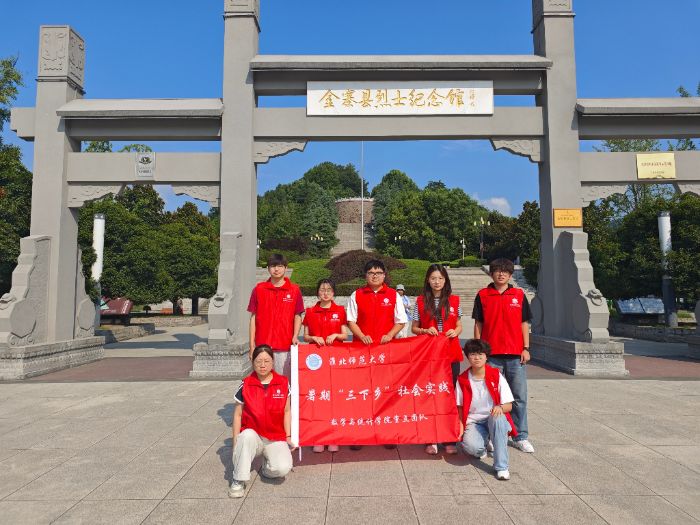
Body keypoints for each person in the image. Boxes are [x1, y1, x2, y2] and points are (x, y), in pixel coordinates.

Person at [472, 257, 534, 453]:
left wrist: (526, 347)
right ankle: (491, 435)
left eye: (505, 271)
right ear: (491, 273)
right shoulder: (483, 295)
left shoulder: (519, 295)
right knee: (490, 397)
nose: (501, 274)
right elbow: (478, 324)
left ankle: (520, 436)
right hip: (491, 355)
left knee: (519, 397)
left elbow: (524, 323)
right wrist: (478, 349)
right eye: (498, 271)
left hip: (515, 355)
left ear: (510, 274)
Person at [347, 259, 407, 450]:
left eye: (378, 273)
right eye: (371, 273)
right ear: (365, 275)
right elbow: (351, 320)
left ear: (384, 275)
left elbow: (401, 320)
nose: (375, 276)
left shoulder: (393, 295)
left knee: (386, 392)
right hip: (361, 351)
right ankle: (360, 434)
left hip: (385, 352)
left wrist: (389, 335)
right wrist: (361, 335)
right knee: (362, 392)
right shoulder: (356, 295)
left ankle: (387, 433)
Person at [229, 345, 295, 498]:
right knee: (246, 436)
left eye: (267, 361)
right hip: (254, 436)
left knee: (283, 468)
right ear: (253, 362)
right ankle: (238, 479)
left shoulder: (283, 383)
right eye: (258, 361)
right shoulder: (246, 384)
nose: (263, 365)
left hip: (275, 436)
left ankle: (266, 467)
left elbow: (287, 411)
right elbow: (238, 415)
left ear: (273, 362)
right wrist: (235, 442)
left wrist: (288, 436)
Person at [411, 263, 463, 455]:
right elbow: (414, 328)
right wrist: (425, 330)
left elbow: (459, 325)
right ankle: (430, 437)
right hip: (429, 356)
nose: (437, 282)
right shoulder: (420, 301)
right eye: (433, 278)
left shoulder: (454, 300)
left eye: (440, 278)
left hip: (450, 354)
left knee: (449, 395)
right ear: (427, 280)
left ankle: (449, 438)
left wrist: (455, 331)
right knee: (430, 395)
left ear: (445, 280)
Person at [456, 339, 516, 481]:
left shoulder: (496, 375)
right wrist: (461, 426)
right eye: (473, 354)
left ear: (486, 356)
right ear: (467, 356)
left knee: (498, 418)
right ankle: (484, 444)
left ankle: (501, 467)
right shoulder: (462, 379)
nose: (477, 358)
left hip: (493, 418)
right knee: (471, 448)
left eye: (480, 354)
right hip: (474, 422)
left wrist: (500, 407)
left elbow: (509, 405)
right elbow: (459, 406)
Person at [303, 278, 349, 453]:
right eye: (322, 290)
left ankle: (333, 437)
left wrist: (335, 335)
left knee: (334, 400)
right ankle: (318, 438)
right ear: (317, 292)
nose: (325, 293)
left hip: (335, 361)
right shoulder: (310, 311)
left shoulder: (340, 310)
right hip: (316, 362)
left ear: (333, 292)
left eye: (329, 290)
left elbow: (345, 335)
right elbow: (306, 336)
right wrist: (314, 338)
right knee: (318, 399)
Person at [248, 253, 304, 378]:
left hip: (285, 346)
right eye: (273, 266)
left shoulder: (294, 290)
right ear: (268, 268)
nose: (276, 269)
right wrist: (252, 346)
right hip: (262, 347)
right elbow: (253, 318)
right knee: (263, 383)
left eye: (280, 266)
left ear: (286, 268)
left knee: (285, 383)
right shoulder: (259, 289)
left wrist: (295, 336)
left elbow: (298, 315)